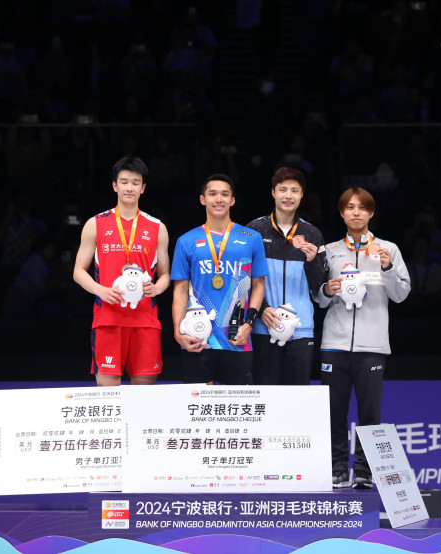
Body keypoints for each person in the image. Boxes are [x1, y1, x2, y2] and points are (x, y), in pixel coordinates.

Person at [314, 187, 410, 489]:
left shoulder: (388, 249)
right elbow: (319, 300)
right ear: (341, 213)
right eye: (349, 207)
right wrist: (326, 290)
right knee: (335, 409)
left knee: (370, 412)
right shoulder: (329, 251)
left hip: (372, 345)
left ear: (371, 213)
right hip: (334, 343)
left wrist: (387, 267)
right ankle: (338, 467)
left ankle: (366, 470)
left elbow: (401, 294)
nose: (356, 212)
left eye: (362, 208)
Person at [73, 156, 171, 386]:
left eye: (135, 182)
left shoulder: (157, 227)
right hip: (108, 320)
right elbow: (78, 271)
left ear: (143, 188)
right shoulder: (95, 224)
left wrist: (157, 287)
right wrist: (100, 290)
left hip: (145, 321)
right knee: (110, 400)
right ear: (115, 185)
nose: (129, 187)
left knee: (143, 400)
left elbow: (166, 274)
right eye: (124, 182)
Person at [171, 174, 268, 385]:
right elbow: (179, 290)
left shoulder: (251, 238)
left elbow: (258, 285)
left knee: (232, 409)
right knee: (200, 408)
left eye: (225, 194)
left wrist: (249, 324)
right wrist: (179, 332)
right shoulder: (186, 241)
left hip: (237, 337)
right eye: (212, 194)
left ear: (232, 200)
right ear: (202, 199)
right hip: (197, 337)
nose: (219, 199)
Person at [246, 167, 326, 385]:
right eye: (283, 190)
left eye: (294, 190)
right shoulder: (254, 231)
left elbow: (320, 287)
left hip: (300, 329)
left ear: (301, 195)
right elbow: (243, 281)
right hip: (263, 327)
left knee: (297, 398)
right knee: (265, 396)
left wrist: (311, 262)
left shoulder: (312, 234)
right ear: (273, 193)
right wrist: (261, 310)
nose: (288, 196)